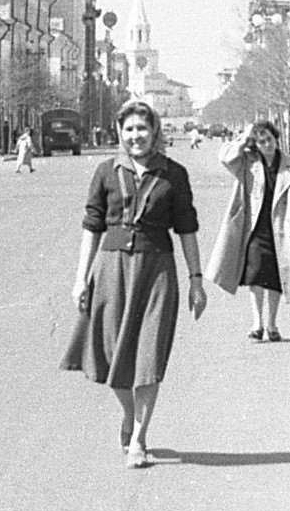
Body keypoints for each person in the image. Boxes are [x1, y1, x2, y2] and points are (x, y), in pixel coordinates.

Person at [63, 99, 207, 468]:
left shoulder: (173, 174)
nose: (135, 136)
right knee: (114, 356)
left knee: (149, 356)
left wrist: (196, 280)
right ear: (119, 132)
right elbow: (91, 227)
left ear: (154, 131)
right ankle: (129, 414)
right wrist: (81, 278)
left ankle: (139, 438)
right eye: (128, 130)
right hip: (111, 270)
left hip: (157, 272)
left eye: (142, 129)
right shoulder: (106, 171)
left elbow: (187, 230)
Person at [209, 119, 290, 342]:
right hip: (255, 227)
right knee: (256, 275)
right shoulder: (248, 163)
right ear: (255, 144)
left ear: (276, 139)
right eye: (261, 141)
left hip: (281, 229)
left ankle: (272, 323)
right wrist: (244, 136)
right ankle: (257, 323)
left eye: (269, 139)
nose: (266, 144)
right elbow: (224, 157)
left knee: (276, 277)